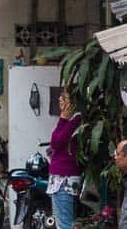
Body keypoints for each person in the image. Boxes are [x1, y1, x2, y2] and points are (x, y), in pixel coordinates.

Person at [48, 87, 83, 229]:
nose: (60, 100)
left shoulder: (75, 120)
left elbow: (56, 142)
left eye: (64, 98)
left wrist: (62, 119)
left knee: (64, 224)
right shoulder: (73, 120)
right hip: (62, 179)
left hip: (64, 180)